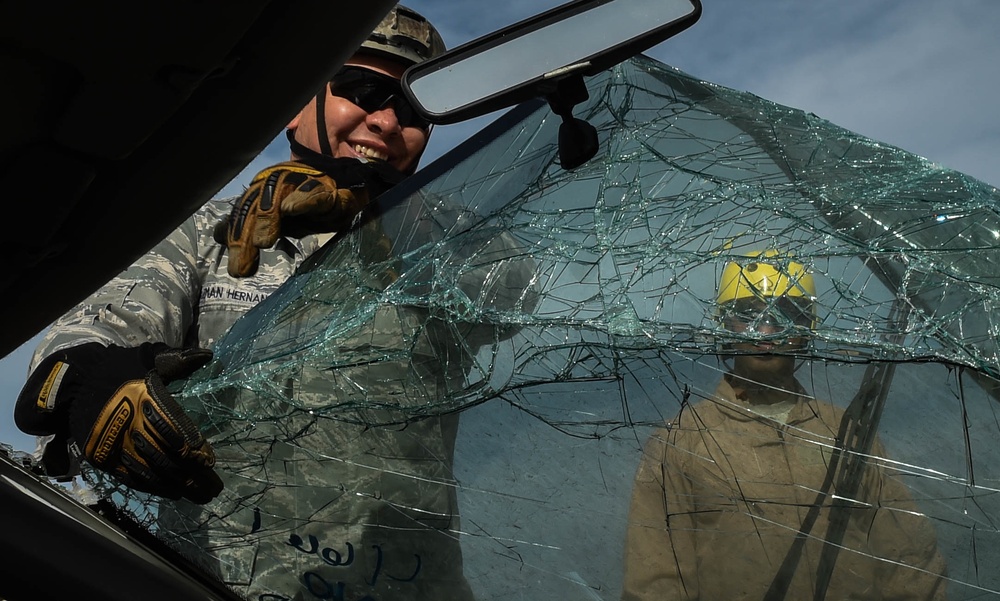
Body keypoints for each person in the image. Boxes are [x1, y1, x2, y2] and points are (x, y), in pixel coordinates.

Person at [13, 5, 523, 599]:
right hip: (212, 576)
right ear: (295, 105)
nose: (386, 121)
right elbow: (94, 332)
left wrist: (378, 213)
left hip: (404, 583)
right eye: (363, 89)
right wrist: (87, 378)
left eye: (415, 109)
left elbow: (509, 295)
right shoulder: (204, 230)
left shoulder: (452, 238)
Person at [621, 251, 949, 601]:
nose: (767, 333)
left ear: (808, 329)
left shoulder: (847, 434)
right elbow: (655, 581)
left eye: (787, 315)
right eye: (748, 315)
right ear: (723, 327)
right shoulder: (681, 443)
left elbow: (911, 563)